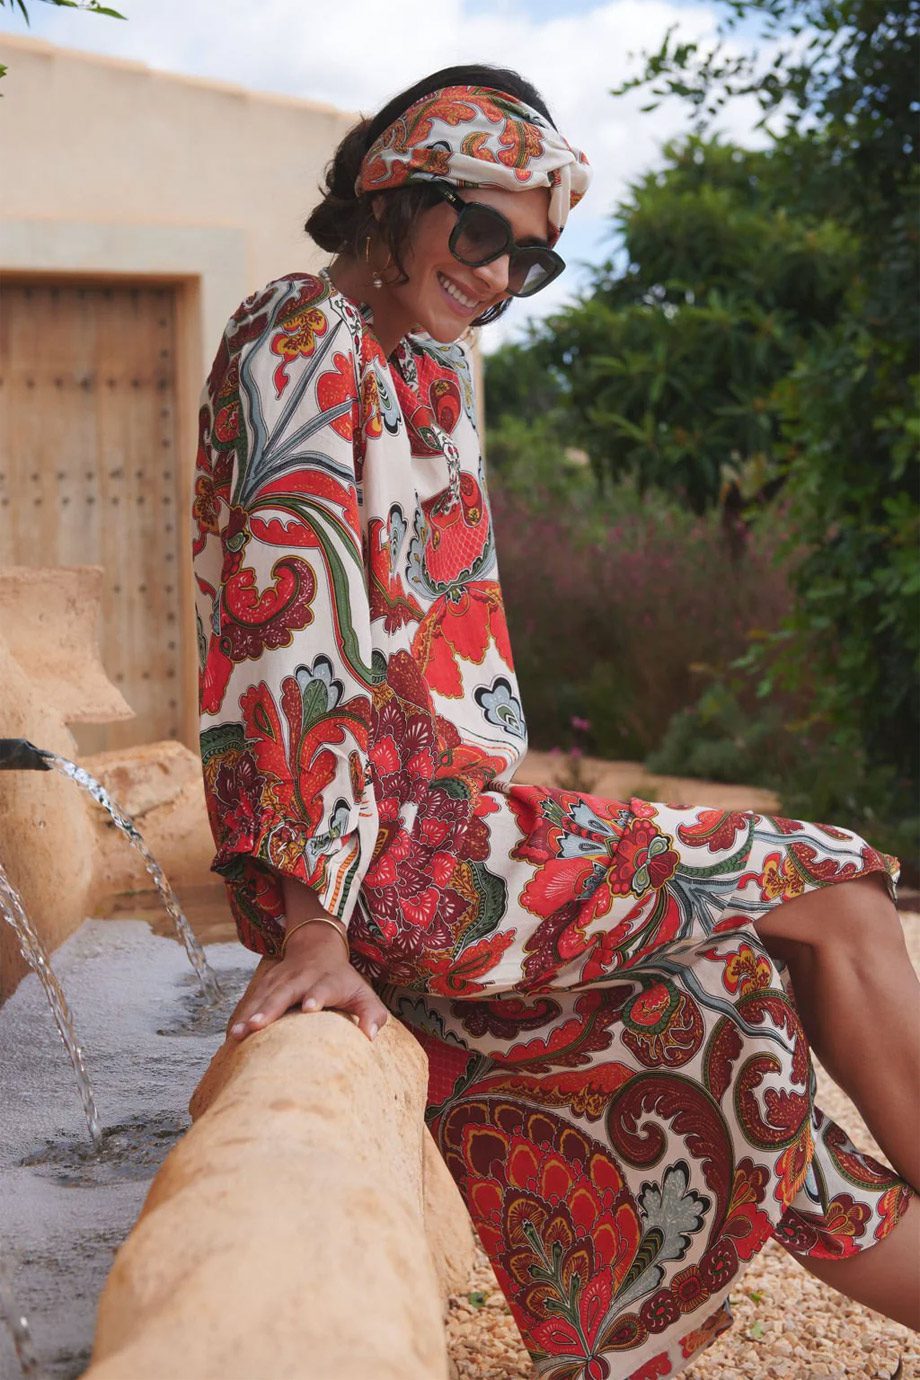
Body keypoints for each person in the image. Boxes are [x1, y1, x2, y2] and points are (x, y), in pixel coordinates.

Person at [192, 64, 919, 1380]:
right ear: (396, 194)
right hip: (394, 870)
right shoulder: (298, 340)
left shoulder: (426, 366)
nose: (497, 277)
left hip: (452, 844)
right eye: (481, 232)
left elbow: (451, 663)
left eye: (531, 260)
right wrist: (311, 925)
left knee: (749, 1073)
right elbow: (283, 644)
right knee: (845, 895)